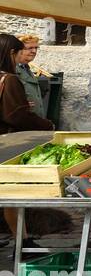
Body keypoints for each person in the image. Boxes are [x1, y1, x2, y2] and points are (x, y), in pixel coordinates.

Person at [1, 34, 56, 242]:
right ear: (11, 53)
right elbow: (16, 115)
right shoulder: (11, 78)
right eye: (19, 51)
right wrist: (47, 126)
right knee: (12, 194)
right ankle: (21, 242)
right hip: (9, 145)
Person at [15, 33, 49, 120]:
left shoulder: (26, 68)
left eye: (36, 48)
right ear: (18, 50)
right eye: (30, 48)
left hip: (34, 121)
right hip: (20, 123)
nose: (34, 51)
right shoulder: (12, 70)